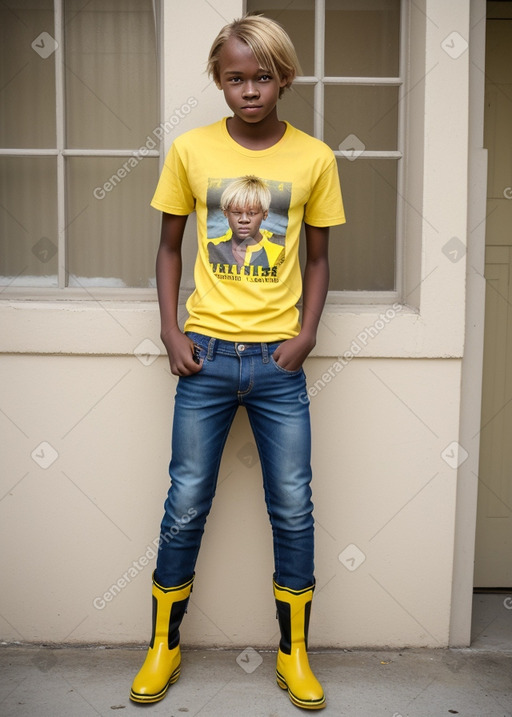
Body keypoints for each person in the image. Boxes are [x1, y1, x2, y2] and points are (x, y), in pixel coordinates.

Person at [129, 13, 345, 711]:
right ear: (218, 81)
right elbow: (168, 249)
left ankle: (294, 651)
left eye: (261, 77)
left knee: (293, 506)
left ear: (284, 78)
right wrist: (170, 330)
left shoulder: (314, 158)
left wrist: (306, 335)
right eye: (234, 78)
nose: (248, 90)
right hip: (206, 362)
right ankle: (164, 643)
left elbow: (318, 260)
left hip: (279, 368)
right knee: (185, 500)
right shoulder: (191, 152)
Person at [207, 174, 285, 270]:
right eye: (236, 213)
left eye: (252, 213)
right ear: (225, 213)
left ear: (265, 214)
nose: (244, 219)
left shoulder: (279, 249)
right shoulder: (212, 247)